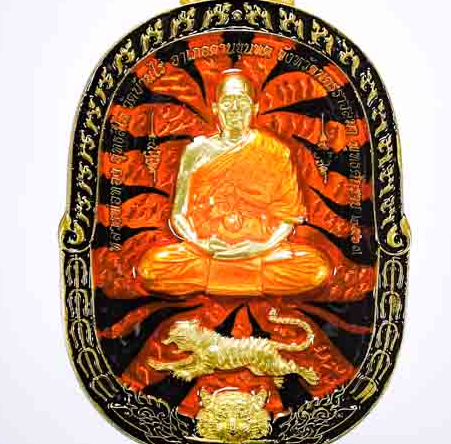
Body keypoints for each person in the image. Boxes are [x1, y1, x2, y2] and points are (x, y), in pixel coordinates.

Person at [137, 68, 331, 296]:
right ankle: (247, 280)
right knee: (151, 268)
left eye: (242, 101)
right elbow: (179, 215)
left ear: (254, 109)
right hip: (207, 249)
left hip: (261, 251)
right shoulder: (195, 152)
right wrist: (201, 243)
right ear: (216, 109)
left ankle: (216, 279)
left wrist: (257, 248)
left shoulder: (275, 152)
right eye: (228, 102)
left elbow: (287, 220)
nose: (235, 109)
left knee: (316, 268)